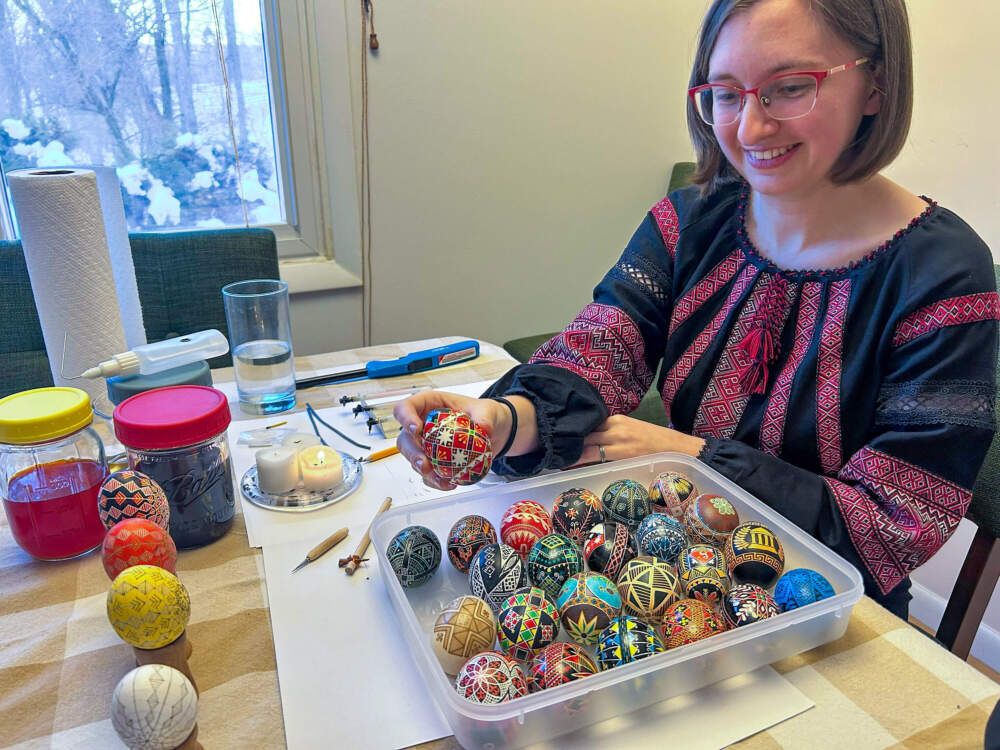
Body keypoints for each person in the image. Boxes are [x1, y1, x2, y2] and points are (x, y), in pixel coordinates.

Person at [394, 0, 999, 619]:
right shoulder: (690, 221)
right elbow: (604, 346)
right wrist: (508, 418)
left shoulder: (946, 277)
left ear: (876, 84)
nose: (750, 129)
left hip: (826, 610)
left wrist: (690, 458)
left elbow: (890, 528)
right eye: (726, 94)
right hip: (674, 575)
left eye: (790, 88)